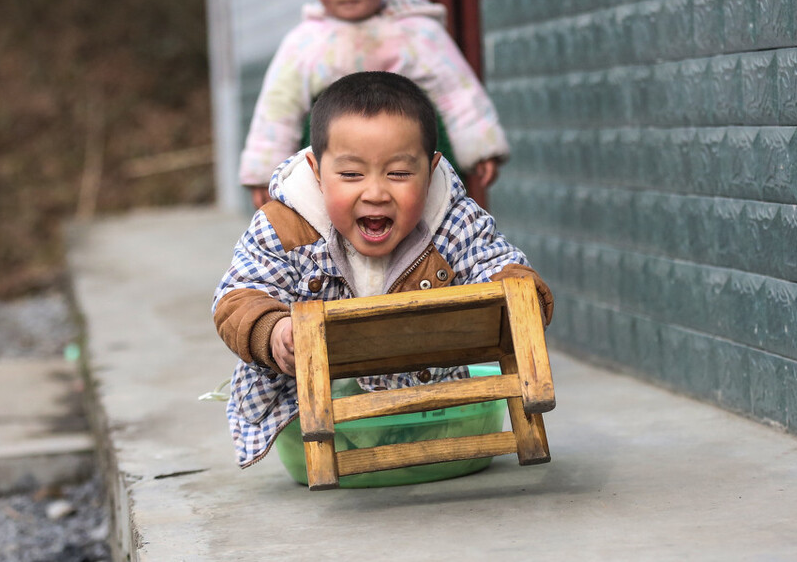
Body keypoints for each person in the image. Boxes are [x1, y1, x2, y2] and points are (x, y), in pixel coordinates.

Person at [213, 71, 552, 469]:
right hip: (322, 406)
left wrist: (517, 290)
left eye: (399, 174)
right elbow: (239, 296)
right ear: (317, 172)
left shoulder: (451, 219)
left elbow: (493, 260)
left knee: (509, 289)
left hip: (428, 400)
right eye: (352, 174)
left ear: (431, 169)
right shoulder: (284, 226)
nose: (375, 192)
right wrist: (272, 331)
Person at [238, 0, 510, 209]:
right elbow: (277, 110)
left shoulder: (416, 32)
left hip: (411, 169)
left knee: (433, 234)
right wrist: (266, 172)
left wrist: (481, 147)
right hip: (336, 175)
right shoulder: (304, 44)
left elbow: (457, 91)